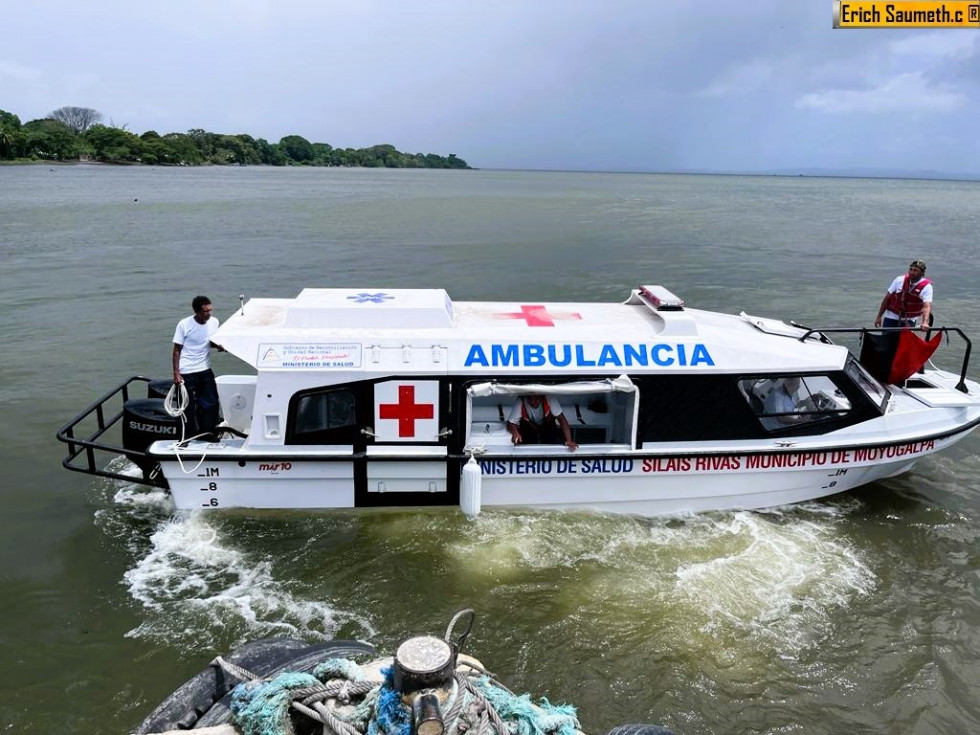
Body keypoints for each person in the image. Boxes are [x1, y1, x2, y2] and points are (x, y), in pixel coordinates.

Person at [172, 295, 222, 440]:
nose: (209, 314)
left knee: (211, 403)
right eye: (205, 311)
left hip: (205, 369)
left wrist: (218, 346)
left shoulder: (214, 322)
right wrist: (176, 373)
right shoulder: (184, 324)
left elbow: (209, 342)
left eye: (210, 310)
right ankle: (185, 437)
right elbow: (176, 350)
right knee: (186, 407)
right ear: (197, 311)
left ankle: (206, 433)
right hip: (187, 371)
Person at [874, 260, 933, 331]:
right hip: (892, 316)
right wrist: (879, 316)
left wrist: (925, 322)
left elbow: (926, 306)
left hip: (909, 319)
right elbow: (887, 298)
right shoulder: (899, 280)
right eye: (911, 269)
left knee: (905, 340)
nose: (912, 272)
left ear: (922, 273)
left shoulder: (927, 286)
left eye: (915, 270)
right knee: (887, 339)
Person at [506, 394, 578, 451]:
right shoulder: (521, 401)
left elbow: (562, 421)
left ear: (541, 396)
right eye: (530, 399)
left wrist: (569, 441)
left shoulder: (549, 399)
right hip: (528, 427)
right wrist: (515, 433)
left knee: (551, 440)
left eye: (536, 399)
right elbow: (511, 423)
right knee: (527, 443)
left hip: (548, 426)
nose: (533, 402)